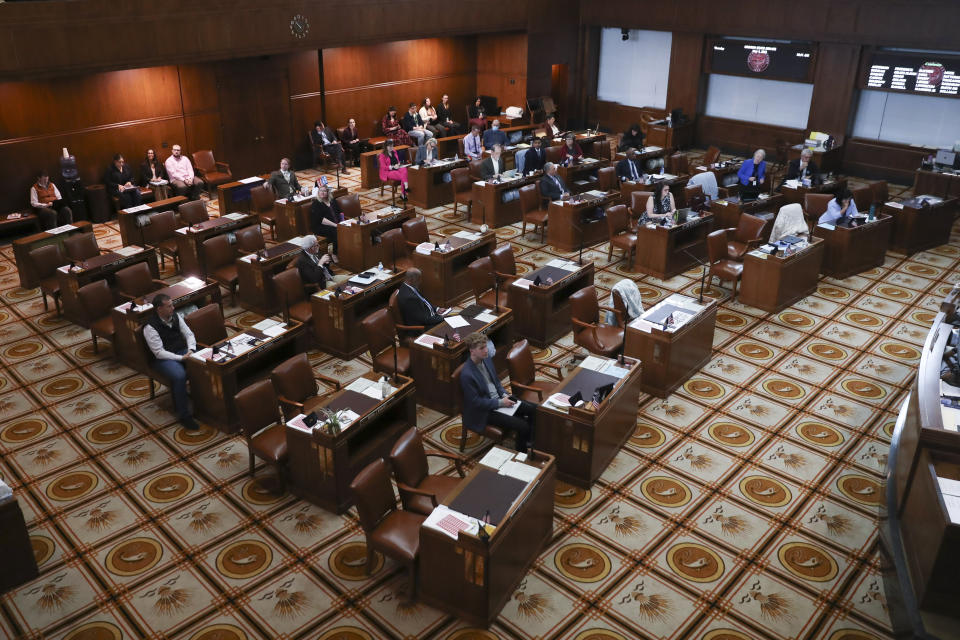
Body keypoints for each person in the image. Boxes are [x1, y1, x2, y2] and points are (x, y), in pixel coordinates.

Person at [460, 332, 534, 453]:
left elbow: (496, 382)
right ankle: (522, 452)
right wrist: (500, 403)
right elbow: (476, 403)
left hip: (500, 399)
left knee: (533, 409)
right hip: (486, 411)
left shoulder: (486, 359)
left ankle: (530, 442)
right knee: (523, 426)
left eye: (486, 346)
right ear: (472, 351)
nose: (486, 350)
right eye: (482, 348)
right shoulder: (467, 374)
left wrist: (504, 394)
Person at [144, 293, 199, 431]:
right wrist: (181, 358)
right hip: (163, 359)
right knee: (179, 376)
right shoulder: (150, 327)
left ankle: (206, 404)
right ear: (159, 309)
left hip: (182, 351)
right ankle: (184, 415)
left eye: (172, 305)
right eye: (169, 306)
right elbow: (159, 352)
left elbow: (189, 334)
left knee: (204, 362)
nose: (173, 308)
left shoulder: (175, 316)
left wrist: (191, 350)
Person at [396, 268, 447, 333]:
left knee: (452, 319)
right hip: (422, 328)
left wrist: (437, 309)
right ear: (411, 279)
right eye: (419, 279)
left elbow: (424, 301)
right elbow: (424, 320)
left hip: (429, 317)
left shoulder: (409, 287)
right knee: (450, 324)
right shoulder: (409, 298)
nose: (420, 281)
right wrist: (441, 317)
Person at [309, 185, 342, 255]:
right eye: (321, 191)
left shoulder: (333, 201)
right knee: (335, 231)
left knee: (346, 228)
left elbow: (340, 212)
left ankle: (345, 249)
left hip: (335, 224)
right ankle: (334, 253)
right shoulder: (316, 203)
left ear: (328, 192)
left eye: (324, 191)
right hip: (320, 226)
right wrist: (336, 225)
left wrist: (342, 222)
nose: (322, 192)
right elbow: (321, 219)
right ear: (318, 192)